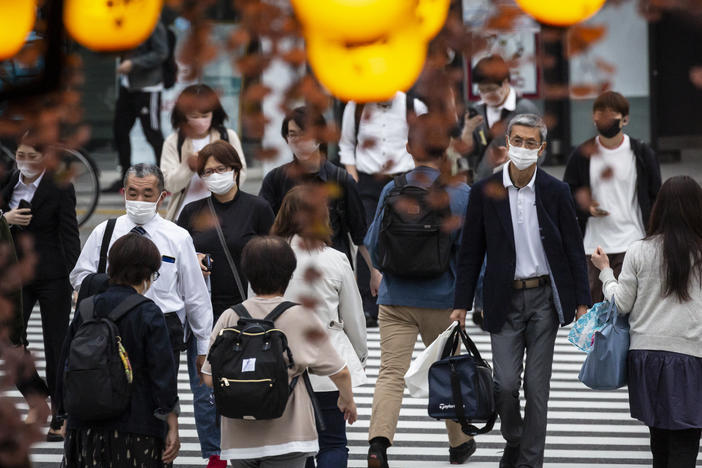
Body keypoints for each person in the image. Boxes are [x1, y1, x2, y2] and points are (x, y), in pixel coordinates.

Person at [451, 113, 591, 468]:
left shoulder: (556, 191)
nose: (524, 148)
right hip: (503, 299)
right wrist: (461, 305)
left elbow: (574, 248)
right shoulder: (485, 191)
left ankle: (529, 461)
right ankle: (515, 437)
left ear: (542, 149)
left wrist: (582, 303)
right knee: (505, 385)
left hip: (544, 298)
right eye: (518, 141)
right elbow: (470, 252)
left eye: (531, 143)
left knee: (536, 389)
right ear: (506, 143)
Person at [364, 114, 475, 467]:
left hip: (395, 297)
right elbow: (472, 254)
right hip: (443, 300)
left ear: (409, 148)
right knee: (448, 369)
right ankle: (459, 444)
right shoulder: (460, 194)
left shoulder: (392, 189)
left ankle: (379, 444)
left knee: (390, 373)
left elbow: (373, 244)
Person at [201, 236, 358, 468]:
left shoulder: (230, 316)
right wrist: (347, 400)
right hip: (288, 436)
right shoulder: (301, 317)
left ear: (248, 274)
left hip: (238, 436)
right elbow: (339, 371)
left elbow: (207, 376)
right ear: (289, 273)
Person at [69, 164, 212, 407]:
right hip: (113, 326)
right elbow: (80, 275)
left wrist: (203, 347)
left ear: (162, 196)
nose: (139, 200)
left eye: (147, 194)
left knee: (158, 399)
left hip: (163, 327)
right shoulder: (105, 232)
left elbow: (195, 295)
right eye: (133, 193)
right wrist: (111, 289)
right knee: (112, 393)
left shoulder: (177, 237)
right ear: (123, 193)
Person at [589, 175, 702, 468]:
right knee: (685, 443)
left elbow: (621, 304)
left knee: (659, 441)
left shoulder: (639, 250)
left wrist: (605, 272)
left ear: (659, 208)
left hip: (646, 357)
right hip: (692, 357)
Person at [176, 140, 274, 467]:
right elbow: (172, 259)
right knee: (205, 391)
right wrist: (193, 261)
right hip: (205, 315)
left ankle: (250, 449)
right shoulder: (192, 212)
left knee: (250, 383)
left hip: (248, 313)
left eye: (221, 169)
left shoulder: (258, 208)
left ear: (236, 169)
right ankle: (215, 455)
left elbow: (274, 258)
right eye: (208, 172)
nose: (215, 175)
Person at [58, 233, 180, 467]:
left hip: (84, 427)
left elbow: (66, 362)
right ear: (147, 274)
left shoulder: (86, 308)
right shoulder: (149, 312)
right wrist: (171, 423)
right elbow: (162, 374)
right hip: (136, 428)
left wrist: (64, 414)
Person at [271, 186, 368, 468]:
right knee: (333, 441)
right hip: (328, 364)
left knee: (294, 445)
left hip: (279, 363)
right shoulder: (335, 259)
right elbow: (354, 318)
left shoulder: (269, 255)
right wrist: (359, 357)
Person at [0, 132, 81, 440]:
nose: (26, 163)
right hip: (16, 274)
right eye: (21, 156)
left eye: (33, 158)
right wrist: (6, 219)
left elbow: (70, 235)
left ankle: (60, 413)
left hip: (53, 275)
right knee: (10, 340)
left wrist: (78, 279)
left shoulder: (60, 186)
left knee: (57, 344)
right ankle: (36, 395)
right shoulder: (9, 180)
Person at [339, 91, 427, 328]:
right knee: (367, 239)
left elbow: (427, 143)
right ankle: (369, 305)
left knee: (406, 238)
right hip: (367, 181)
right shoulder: (355, 106)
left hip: (404, 180)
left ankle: (407, 300)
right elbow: (346, 145)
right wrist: (353, 179)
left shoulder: (413, 105)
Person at [564, 91, 661, 303]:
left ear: (624, 119)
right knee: (597, 310)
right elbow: (567, 194)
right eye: (601, 114)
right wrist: (586, 208)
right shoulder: (582, 154)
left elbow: (656, 196)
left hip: (633, 241)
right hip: (594, 245)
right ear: (594, 118)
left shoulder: (642, 153)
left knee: (631, 306)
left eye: (612, 115)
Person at [259, 106, 372, 275]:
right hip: (289, 271)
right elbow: (264, 230)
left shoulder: (341, 179)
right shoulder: (275, 179)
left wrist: (374, 272)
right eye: (293, 134)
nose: (299, 140)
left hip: (333, 269)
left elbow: (360, 233)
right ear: (286, 138)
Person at [161, 83, 248, 221]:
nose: (200, 122)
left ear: (214, 113)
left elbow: (240, 173)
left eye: (205, 116)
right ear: (183, 115)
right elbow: (169, 184)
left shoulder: (228, 136)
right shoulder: (173, 141)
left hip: (223, 213)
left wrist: (219, 176)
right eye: (194, 116)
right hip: (183, 215)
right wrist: (188, 167)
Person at [105, 20, 169, 192]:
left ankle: (165, 179)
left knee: (152, 133)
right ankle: (125, 179)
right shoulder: (129, 20)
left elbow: (161, 52)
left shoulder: (153, 22)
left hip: (148, 87)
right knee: (120, 130)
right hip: (128, 86)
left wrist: (134, 64)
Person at [461, 55, 540, 181]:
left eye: (491, 89)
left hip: (515, 184)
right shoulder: (477, 110)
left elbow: (539, 152)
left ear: (505, 82)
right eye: (482, 90)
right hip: (482, 183)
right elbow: (468, 151)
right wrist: (468, 130)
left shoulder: (525, 110)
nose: (486, 94)